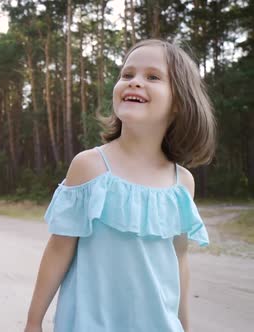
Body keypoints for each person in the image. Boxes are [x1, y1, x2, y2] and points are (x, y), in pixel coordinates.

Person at [25, 39, 216, 332]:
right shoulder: (89, 166)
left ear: (178, 103)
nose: (135, 82)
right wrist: (33, 322)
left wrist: (185, 326)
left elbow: (179, 260)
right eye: (127, 75)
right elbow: (59, 249)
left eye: (152, 77)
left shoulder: (182, 183)